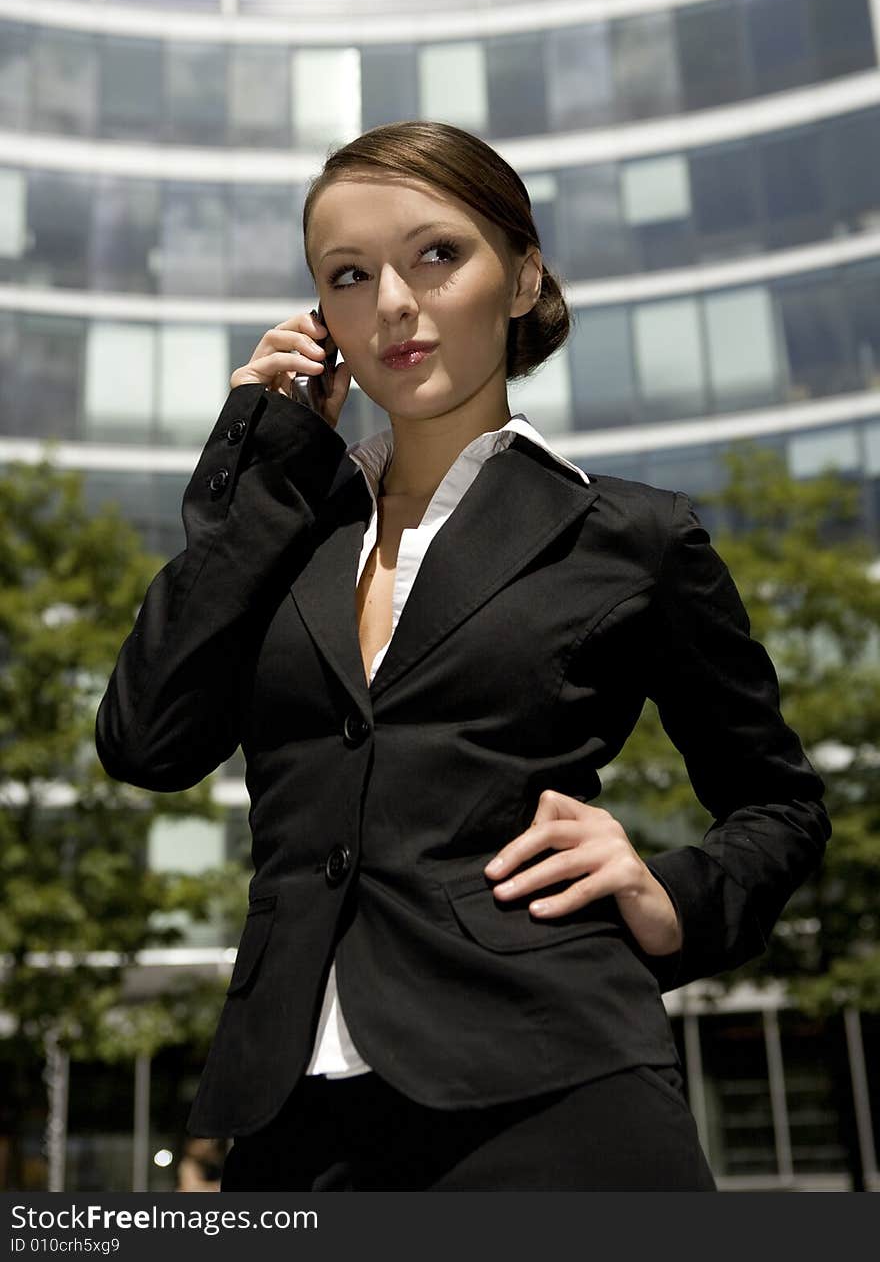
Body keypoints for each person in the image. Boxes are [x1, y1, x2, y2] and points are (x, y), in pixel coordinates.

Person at [95, 120, 830, 1191]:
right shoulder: (290, 531)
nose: (393, 300)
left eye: (437, 254)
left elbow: (780, 803)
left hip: (555, 1085)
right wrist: (259, 456)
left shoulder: (631, 536)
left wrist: (671, 893)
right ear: (322, 319)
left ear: (522, 276)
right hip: (289, 1118)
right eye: (350, 275)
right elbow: (146, 738)